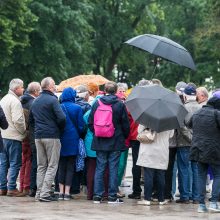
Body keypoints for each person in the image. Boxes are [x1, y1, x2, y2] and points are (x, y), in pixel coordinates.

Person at [88, 81, 130, 204]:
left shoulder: (97, 103)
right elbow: (125, 125)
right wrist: (123, 136)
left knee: (100, 167)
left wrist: (98, 133)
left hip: (100, 141)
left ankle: (97, 195)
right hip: (116, 141)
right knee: (113, 168)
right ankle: (112, 195)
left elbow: (90, 122)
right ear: (116, 91)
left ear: (105, 90)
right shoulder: (120, 104)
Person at [30, 77, 66, 202]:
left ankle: (39, 193)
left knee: (41, 166)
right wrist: (58, 129)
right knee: (52, 165)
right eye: (54, 84)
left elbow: (31, 121)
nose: (55, 87)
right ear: (50, 87)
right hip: (51, 136)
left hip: (38, 136)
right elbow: (62, 118)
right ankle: (45, 194)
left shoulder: (35, 101)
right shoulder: (53, 100)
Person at [188, 96, 220, 212]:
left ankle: (201, 205)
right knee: (218, 175)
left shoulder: (197, 113)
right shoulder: (216, 114)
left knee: (201, 176)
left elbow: (188, 124)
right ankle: (214, 202)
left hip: (198, 149)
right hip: (214, 150)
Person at [0, 79, 26, 196]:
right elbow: (18, 120)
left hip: (3, 136)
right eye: (22, 87)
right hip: (14, 136)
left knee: (4, 163)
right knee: (15, 163)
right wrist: (24, 132)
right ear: (16, 89)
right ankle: (11, 188)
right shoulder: (15, 101)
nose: (23, 89)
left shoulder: (3, 99)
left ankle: (2, 188)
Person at [136, 125, 174, 206]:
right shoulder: (169, 120)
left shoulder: (146, 118)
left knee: (148, 176)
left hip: (148, 150)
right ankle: (161, 199)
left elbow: (139, 131)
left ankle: (147, 199)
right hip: (162, 151)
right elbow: (171, 135)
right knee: (161, 175)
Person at [58, 87, 84, 201]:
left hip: (61, 139)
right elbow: (81, 126)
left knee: (61, 165)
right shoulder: (77, 108)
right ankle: (67, 193)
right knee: (70, 166)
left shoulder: (58, 107)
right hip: (73, 139)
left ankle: (60, 192)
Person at [176, 84, 200, 204]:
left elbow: (181, 127)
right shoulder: (202, 107)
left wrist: (191, 138)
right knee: (196, 169)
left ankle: (185, 196)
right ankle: (195, 197)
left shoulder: (182, 108)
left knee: (184, 169)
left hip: (184, 143)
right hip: (198, 143)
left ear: (185, 95)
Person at [20, 82, 41, 196]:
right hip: (29, 136)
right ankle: (27, 187)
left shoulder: (21, 100)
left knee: (23, 161)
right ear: (36, 91)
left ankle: (22, 185)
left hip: (22, 136)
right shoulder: (33, 103)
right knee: (30, 161)